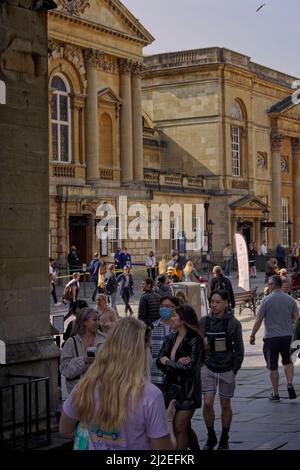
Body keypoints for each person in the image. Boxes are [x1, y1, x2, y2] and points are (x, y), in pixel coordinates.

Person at [59, 317, 174, 450]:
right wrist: (169, 421)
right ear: (143, 351)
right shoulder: (151, 395)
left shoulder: (85, 385)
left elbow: (65, 428)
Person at [199, 290, 244, 450]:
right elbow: (197, 345)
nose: (214, 305)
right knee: (207, 402)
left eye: (218, 302)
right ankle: (211, 435)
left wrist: (234, 369)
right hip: (208, 367)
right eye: (212, 302)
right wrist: (201, 364)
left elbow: (239, 349)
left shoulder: (233, 323)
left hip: (226, 368)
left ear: (225, 303)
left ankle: (224, 437)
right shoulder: (204, 321)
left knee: (225, 404)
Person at [157, 304, 203, 450]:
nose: (171, 317)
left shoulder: (194, 339)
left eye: (175, 315)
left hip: (188, 391)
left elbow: (189, 368)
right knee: (186, 427)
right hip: (171, 388)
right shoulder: (170, 337)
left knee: (179, 427)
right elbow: (159, 360)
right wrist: (176, 364)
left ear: (183, 319)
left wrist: (169, 362)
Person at [249, 275, 299, 402]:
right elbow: (297, 318)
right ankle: (289, 383)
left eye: (269, 283)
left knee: (273, 366)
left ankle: (275, 393)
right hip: (288, 336)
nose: (268, 285)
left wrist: (253, 335)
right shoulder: (290, 300)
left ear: (272, 285)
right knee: (288, 362)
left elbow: (259, 319)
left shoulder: (266, 300)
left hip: (271, 338)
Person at [60, 308, 106, 396]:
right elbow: (65, 370)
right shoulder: (72, 342)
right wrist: (83, 361)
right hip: (78, 394)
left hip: (100, 392)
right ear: (85, 322)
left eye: (98, 320)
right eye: (94, 320)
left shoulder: (104, 340)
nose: (98, 323)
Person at [150, 296, 180, 393]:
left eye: (168, 306)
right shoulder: (151, 328)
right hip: (156, 377)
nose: (164, 308)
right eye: (162, 306)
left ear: (175, 308)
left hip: (176, 377)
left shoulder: (180, 329)